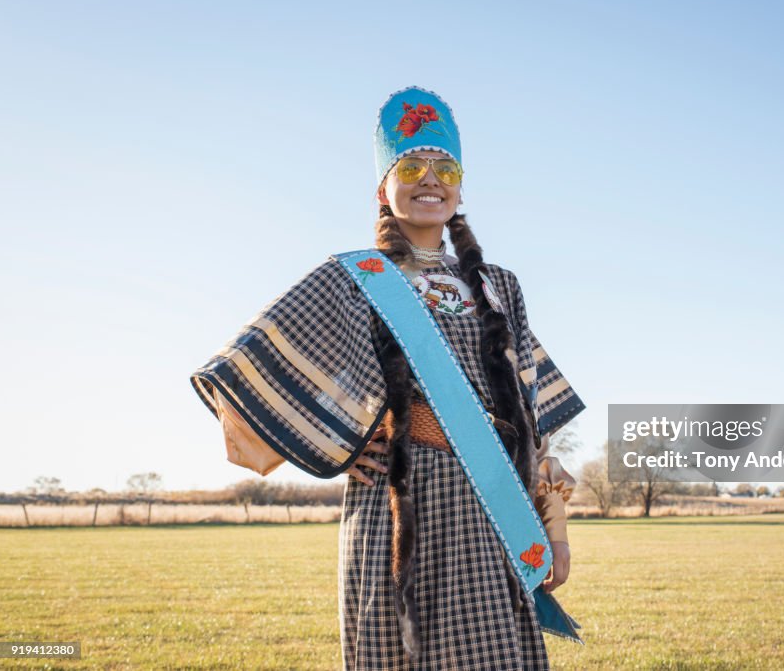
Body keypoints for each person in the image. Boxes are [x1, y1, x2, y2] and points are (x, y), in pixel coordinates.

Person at [191, 86, 584, 670]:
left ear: (460, 183)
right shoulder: (350, 277)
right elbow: (245, 375)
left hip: (494, 514)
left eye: (444, 167)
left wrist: (554, 527)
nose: (430, 179)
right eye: (412, 166)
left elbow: (530, 424)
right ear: (384, 187)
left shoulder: (500, 285)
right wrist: (342, 449)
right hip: (401, 508)